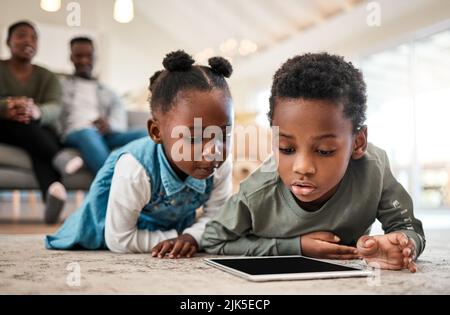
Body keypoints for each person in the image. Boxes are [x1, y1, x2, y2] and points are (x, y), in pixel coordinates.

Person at [201, 52, 425, 273]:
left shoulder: (374, 167)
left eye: (324, 151)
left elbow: (406, 228)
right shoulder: (257, 192)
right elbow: (213, 239)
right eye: (286, 149)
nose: (303, 167)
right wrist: (295, 247)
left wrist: (403, 245)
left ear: (358, 142)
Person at [46, 51, 234, 259]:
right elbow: (119, 239)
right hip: (107, 226)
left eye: (223, 135)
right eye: (195, 137)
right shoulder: (135, 169)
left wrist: (192, 238)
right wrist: (177, 236)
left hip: (165, 224)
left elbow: (216, 216)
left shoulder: (221, 163)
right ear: (156, 132)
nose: (213, 151)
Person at [0, 21, 78, 224]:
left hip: (37, 129)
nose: (28, 40)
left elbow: (55, 106)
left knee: (31, 126)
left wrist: (36, 111)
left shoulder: (46, 75)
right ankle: (57, 157)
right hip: (3, 127)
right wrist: (6, 107)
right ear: (8, 41)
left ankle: (54, 191)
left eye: (34, 37)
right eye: (21, 35)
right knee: (18, 122)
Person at [60, 37, 147, 175]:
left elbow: (119, 113)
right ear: (71, 58)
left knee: (146, 134)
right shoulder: (62, 86)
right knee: (88, 133)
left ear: (95, 57)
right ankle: (113, 185)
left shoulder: (107, 91)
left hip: (104, 135)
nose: (84, 61)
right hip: (76, 133)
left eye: (88, 56)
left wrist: (109, 125)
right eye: (79, 56)